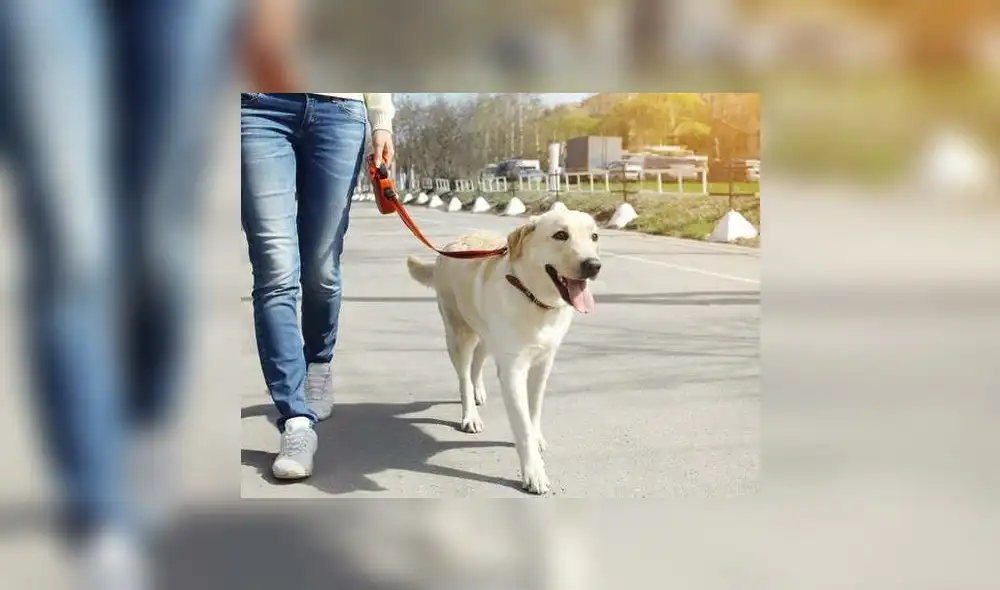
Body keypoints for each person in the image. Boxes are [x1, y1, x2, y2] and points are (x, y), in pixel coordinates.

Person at [241, 92, 395, 479]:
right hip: (256, 107)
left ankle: (318, 364)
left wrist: (381, 120)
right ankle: (296, 420)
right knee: (276, 270)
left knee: (322, 271)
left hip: (339, 110)